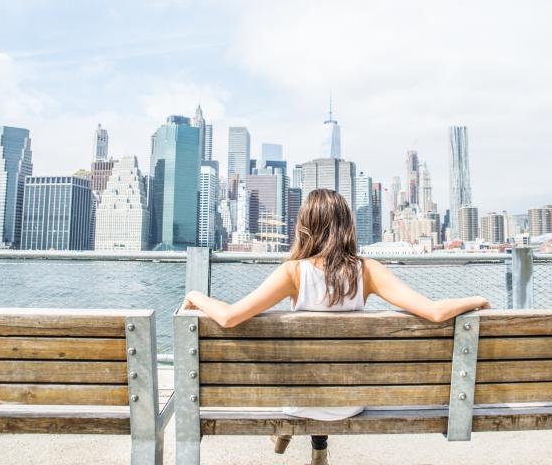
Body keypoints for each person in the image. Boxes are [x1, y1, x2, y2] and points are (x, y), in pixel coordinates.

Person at [182, 188, 490, 465]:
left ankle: (292, 434)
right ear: (346, 225)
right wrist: (476, 299)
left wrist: (196, 296)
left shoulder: (292, 273)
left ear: (306, 226)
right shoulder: (368, 270)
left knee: (299, 370)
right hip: (348, 403)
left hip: (297, 403)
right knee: (326, 372)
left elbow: (229, 317)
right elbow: (435, 313)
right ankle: (317, 443)